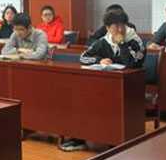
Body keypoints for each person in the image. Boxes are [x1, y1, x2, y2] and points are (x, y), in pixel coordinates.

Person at [62, 10, 145, 152]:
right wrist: (99, 60)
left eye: (122, 25)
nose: (120, 29)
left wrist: (122, 43)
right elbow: (83, 57)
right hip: (106, 88)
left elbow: (131, 63)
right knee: (82, 99)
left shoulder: (136, 42)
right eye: (116, 26)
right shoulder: (103, 42)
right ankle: (80, 138)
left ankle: (115, 140)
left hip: (129, 88)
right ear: (107, 28)